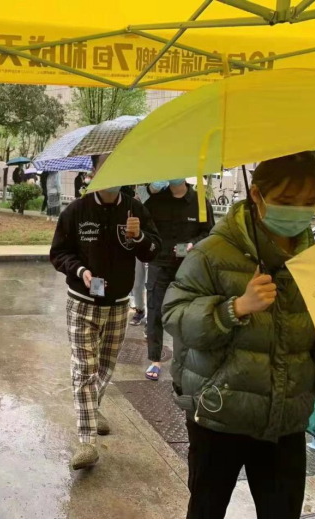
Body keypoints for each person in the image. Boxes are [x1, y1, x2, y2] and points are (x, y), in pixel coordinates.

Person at [163, 153, 315, 519]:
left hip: (286, 418)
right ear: (257, 195)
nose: (299, 211)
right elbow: (174, 315)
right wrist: (235, 308)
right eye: (287, 201)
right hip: (219, 415)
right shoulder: (212, 253)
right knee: (207, 509)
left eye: (310, 202)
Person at [50, 153, 161, 471]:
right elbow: (58, 253)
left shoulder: (135, 209)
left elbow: (154, 250)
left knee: (105, 367)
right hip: (82, 302)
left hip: (118, 305)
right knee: (84, 369)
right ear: (94, 172)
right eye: (104, 168)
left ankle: (91, 406)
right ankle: (87, 442)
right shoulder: (76, 211)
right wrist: (80, 270)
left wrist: (139, 237)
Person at [143, 178, 214, 381]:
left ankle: (181, 360)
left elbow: (209, 232)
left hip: (187, 268)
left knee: (184, 315)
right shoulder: (155, 201)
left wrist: (193, 244)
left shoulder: (200, 202)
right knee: (155, 311)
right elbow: (145, 228)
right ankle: (155, 360)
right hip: (159, 264)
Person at [130, 184, 151, 327]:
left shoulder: (162, 194)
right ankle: (139, 309)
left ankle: (151, 315)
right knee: (137, 283)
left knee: (150, 284)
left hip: (151, 245)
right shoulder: (140, 191)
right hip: (137, 244)